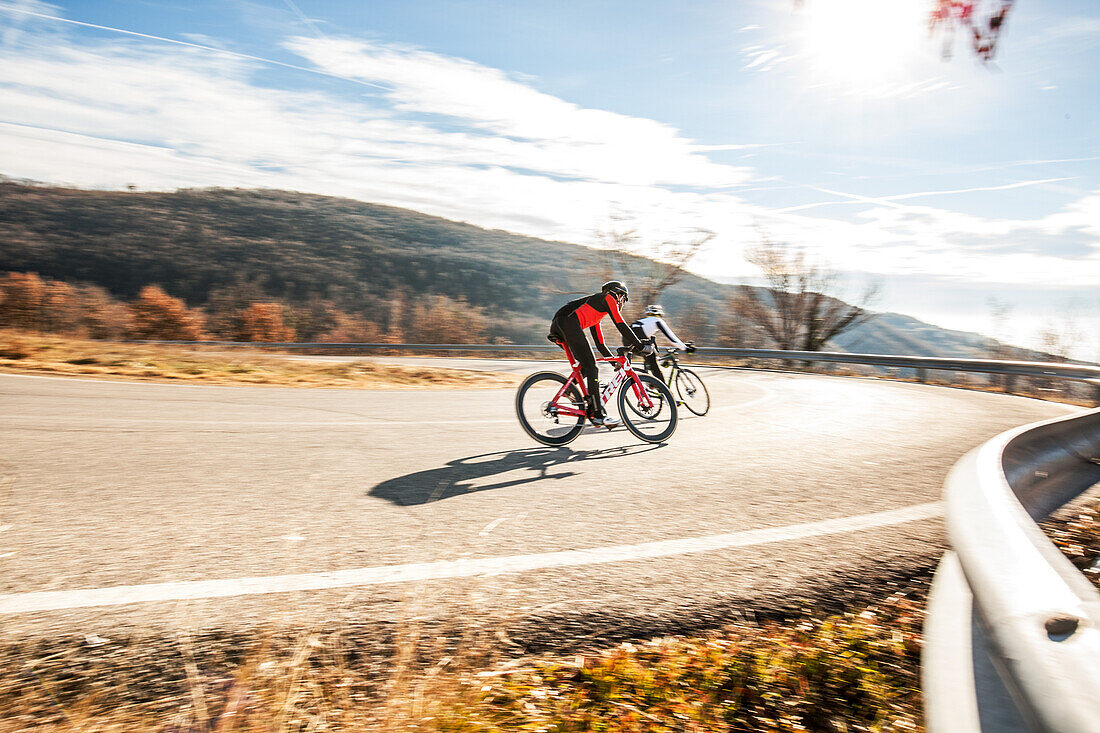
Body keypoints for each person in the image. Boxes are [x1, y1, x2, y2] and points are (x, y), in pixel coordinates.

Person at [550, 280, 652, 426]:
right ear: (618, 294)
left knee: (586, 366)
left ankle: (569, 389)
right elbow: (621, 324)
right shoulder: (608, 298)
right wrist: (641, 346)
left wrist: (613, 363)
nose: (622, 302)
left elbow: (600, 344)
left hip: (559, 324)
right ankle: (597, 414)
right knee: (592, 368)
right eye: (623, 298)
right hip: (567, 323)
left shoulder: (595, 310)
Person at [631, 304, 694, 384]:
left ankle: (650, 384)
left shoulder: (643, 321)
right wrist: (685, 348)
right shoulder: (657, 320)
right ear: (660, 314)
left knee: (650, 356)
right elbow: (671, 337)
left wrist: (660, 361)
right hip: (638, 340)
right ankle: (665, 392)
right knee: (653, 363)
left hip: (628, 340)